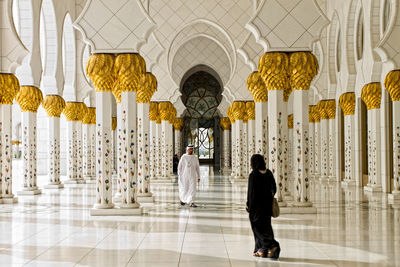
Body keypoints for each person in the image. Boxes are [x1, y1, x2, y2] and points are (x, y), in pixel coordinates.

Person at [246, 154, 280, 259]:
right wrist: (268, 198)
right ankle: (260, 250)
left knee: (258, 229)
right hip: (267, 207)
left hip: (256, 208)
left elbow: (251, 194)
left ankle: (272, 245)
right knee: (266, 227)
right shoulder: (268, 173)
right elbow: (274, 188)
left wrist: (249, 206)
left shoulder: (254, 175)